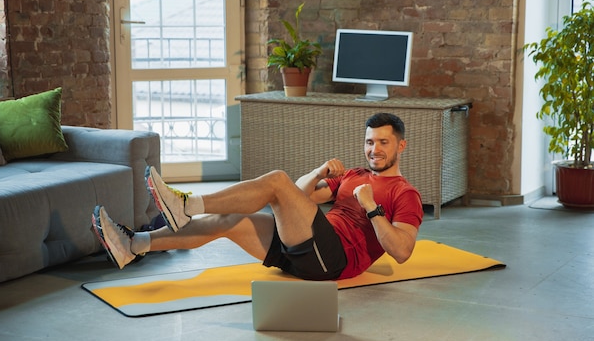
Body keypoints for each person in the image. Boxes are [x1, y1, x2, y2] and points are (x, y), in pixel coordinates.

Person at [91, 112, 423, 281]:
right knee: (228, 221)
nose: (374, 149)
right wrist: (320, 170)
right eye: (369, 142)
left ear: (401, 146)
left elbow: (403, 251)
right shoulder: (354, 175)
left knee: (276, 180)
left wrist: (371, 209)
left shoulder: (404, 193)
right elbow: (299, 194)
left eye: (383, 143)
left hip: (332, 261)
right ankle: (134, 245)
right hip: (307, 246)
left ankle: (185, 205)